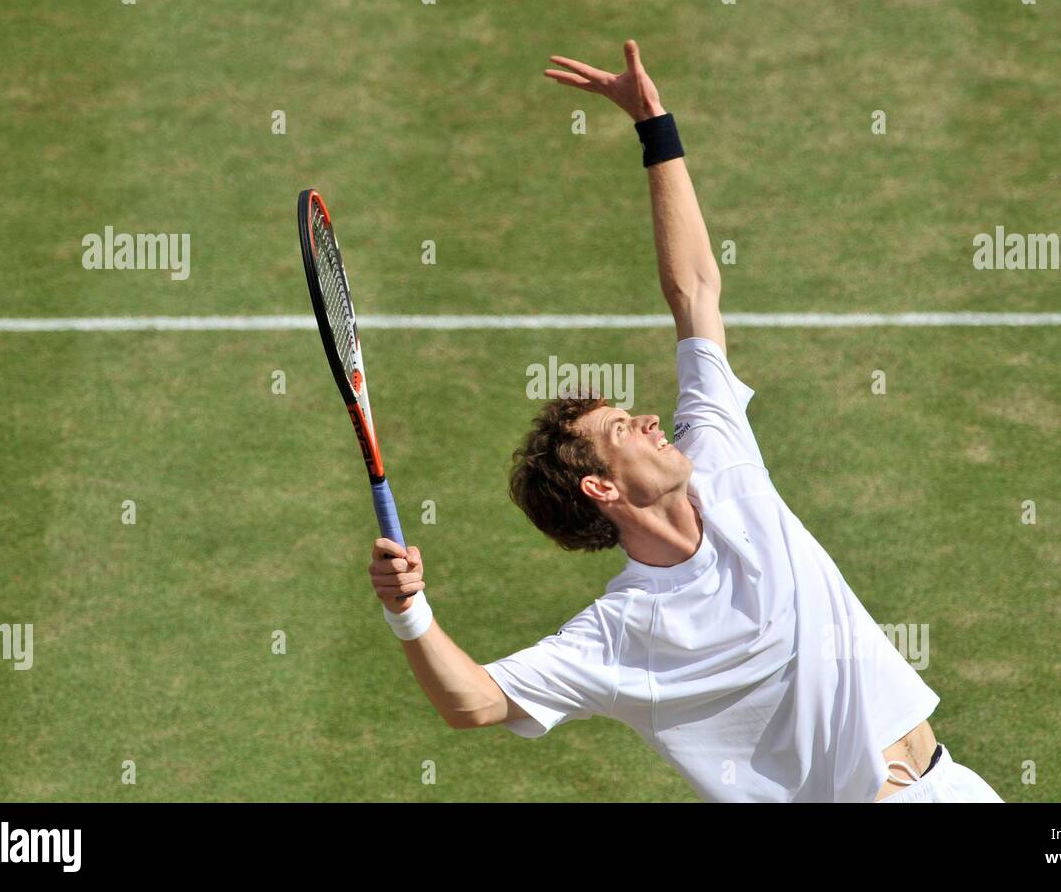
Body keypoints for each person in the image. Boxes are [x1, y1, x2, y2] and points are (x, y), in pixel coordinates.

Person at [369, 41, 1002, 803]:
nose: (645, 417)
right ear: (602, 486)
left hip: (953, 785)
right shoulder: (623, 632)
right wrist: (410, 611)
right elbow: (471, 700)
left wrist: (655, 128)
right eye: (619, 428)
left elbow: (695, 290)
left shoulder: (718, 450)